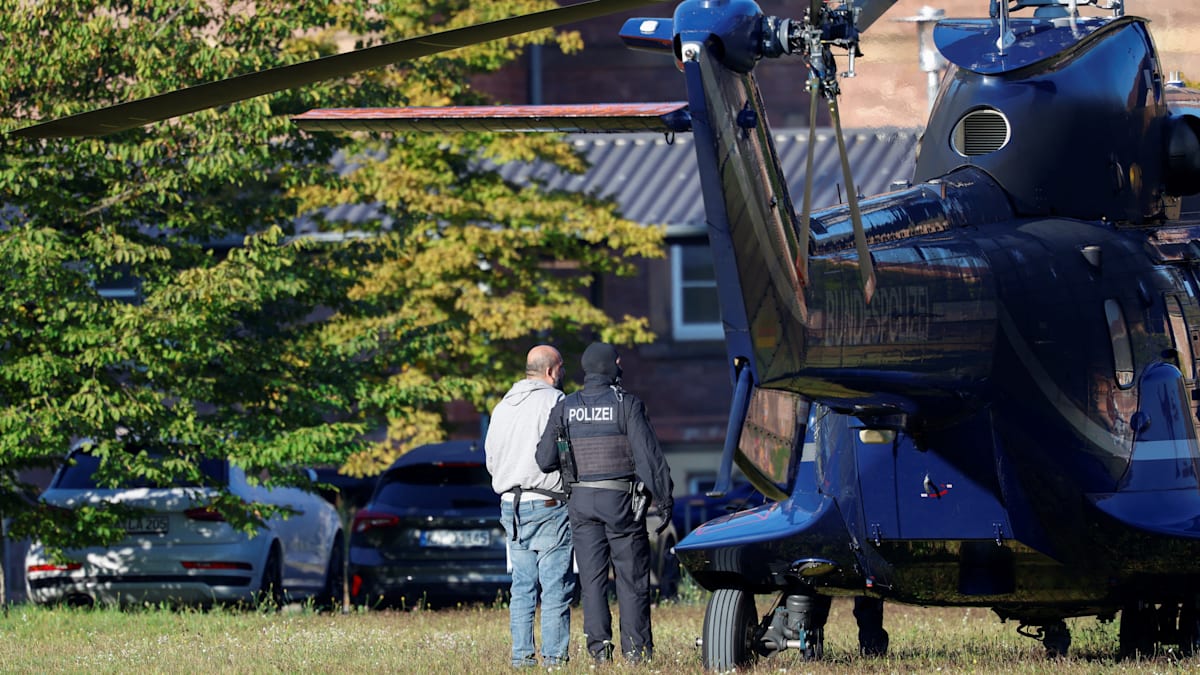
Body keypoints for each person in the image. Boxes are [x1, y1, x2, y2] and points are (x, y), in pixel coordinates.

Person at [536, 342, 674, 664]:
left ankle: (599, 653)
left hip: (581, 504)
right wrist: (664, 499)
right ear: (610, 366)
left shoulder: (565, 407)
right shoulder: (627, 405)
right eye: (617, 361)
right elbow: (648, 459)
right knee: (631, 579)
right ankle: (637, 653)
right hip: (621, 503)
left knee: (592, 582)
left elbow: (544, 460)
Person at [485, 344, 574, 669]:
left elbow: (491, 461)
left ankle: (522, 658)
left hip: (511, 505)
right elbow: (566, 454)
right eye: (561, 369)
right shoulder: (555, 401)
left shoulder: (502, 407)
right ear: (552, 371)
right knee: (555, 587)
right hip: (549, 503)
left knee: (521, 587)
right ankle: (554, 660)